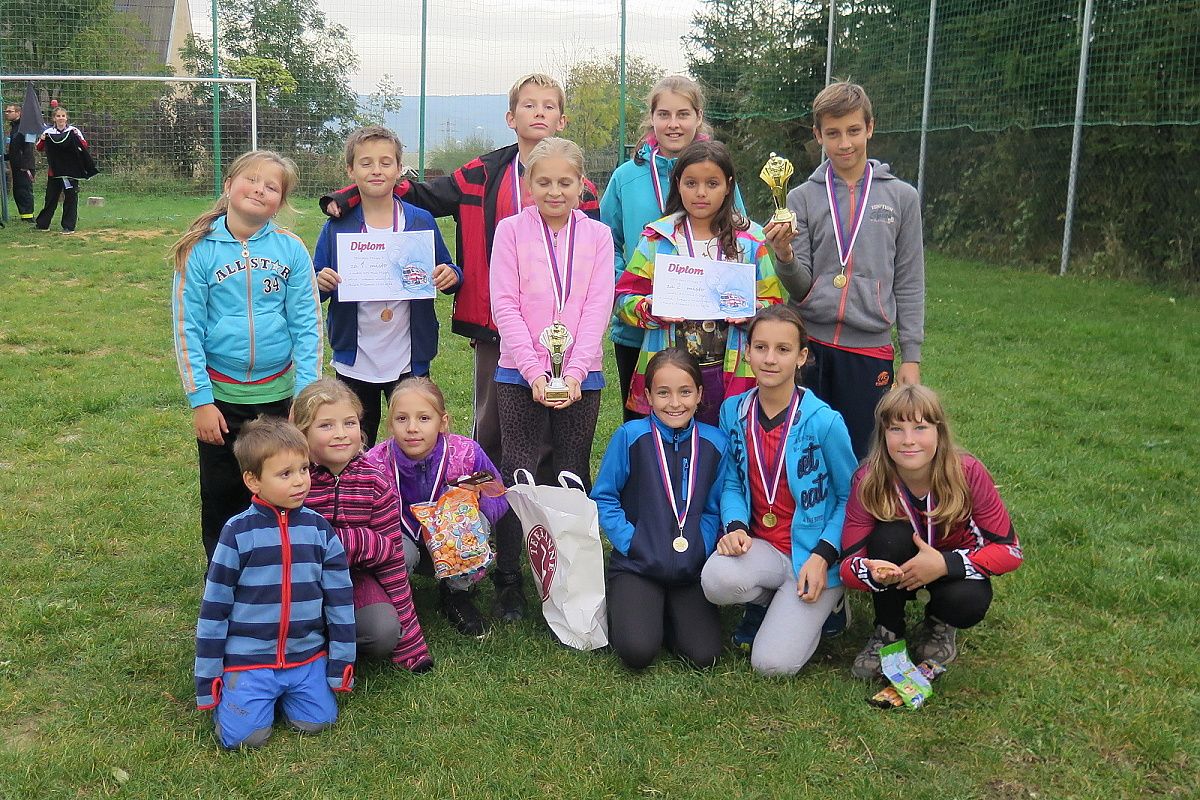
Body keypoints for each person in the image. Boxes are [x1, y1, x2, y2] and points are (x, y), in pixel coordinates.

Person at [319, 74, 600, 472]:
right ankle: (492, 497)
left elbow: (585, 267)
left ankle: (553, 502)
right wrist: (350, 195)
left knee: (559, 434)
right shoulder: (482, 172)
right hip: (494, 319)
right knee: (495, 424)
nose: (539, 113)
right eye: (529, 105)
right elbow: (422, 194)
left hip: (563, 330)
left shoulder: (583, 193)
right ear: (510, 117)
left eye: (548, 106)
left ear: (562, 120)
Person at [171, 150, 323, 563]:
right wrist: (201, 401)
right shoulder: (199, 250)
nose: (259, 189)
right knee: (223, 494)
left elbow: (307, 326)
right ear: (228, 186)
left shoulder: (291, 249)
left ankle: (278, 569)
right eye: (251, 180)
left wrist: (305, 398)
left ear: (280, 202)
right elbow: (187, 329)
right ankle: (224, 573)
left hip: (279, 398)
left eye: (271, 186)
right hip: (221, 402)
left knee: (281, 488)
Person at [764, 80, 925, 459]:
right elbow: (800, 287)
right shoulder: (801, 197)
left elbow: (910, 280)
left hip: (869, 348)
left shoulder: (901, 197)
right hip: (810, 347)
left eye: (853, 130)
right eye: (833, 133)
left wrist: (911, 356)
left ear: (870, 127)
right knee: (805, 451)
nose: (845, 143)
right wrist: (784, 256)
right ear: (818, 135)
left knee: (862, 454)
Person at [488, 137, 614, 621]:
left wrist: (575, 371)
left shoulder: (598, 236)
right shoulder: (510, 231)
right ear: (528, 184)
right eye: (544, 182)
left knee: (571, 471)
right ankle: (508, 578)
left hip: (583, 376)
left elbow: (598, 306)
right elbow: (505, 304)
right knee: (516, 471)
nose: (555, 191)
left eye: (565, 182)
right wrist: (534, 371)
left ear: (582, 185)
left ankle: (570, 577)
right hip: (518, 373)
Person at [700, 305, 856, 676]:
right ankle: (769, 601)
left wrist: (824, 555)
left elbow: (851, 497)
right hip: (764, 547)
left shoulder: (824, 422)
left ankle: (833, 604)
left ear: (801, 357)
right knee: (716, 579)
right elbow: (733, 479)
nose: (770, 359)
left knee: (771, 665)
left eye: (783, 349)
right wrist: (736, 525)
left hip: (814, 555)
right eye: (761, 347)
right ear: (747, 352)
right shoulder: (733, 411)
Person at [840, 384, 1022, 680]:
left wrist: (945, 564)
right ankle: (888, 630)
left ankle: (939, 622)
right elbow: (848, 564)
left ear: (940, 431)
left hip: (949, 570)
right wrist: (871, 572)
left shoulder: (968, 472)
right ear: (883, 435)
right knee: (888, 538)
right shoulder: (868, 479)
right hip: (897, 569)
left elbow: (1010, 551)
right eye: (896, 429)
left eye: (920, 427)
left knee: (969, 601)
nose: (908, 440)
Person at [195, 416, 355, 750]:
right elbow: (214, 609)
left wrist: (340, 663)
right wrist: (208, 678)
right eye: (285, 474)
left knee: (319, 722)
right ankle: (242, 696)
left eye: (303, 469)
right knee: (245, 739)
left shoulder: (320, 530)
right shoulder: (236, 533)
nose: (300, 481)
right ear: (253, 480)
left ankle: (287, 693)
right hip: (249, 660)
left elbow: (340, 602)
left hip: (305, 657)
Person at [602, 76, 747, 422]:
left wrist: (736, 299)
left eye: (683, 114)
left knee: (712, 422)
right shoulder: (625, 177)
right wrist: (629, 289)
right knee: (646, 423)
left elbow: (738, 239)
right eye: (664, 114)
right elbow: (606, 242)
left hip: (713, 334)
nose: (673, 124)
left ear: (698, 117)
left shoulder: (719, 171)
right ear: (651, 118)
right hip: (642, 328)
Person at [614, 140, 782, 426]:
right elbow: (623, 300)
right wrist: (651, 309)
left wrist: (753, 312)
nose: (701, 193)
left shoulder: (750, 242)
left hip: (732, 371)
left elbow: (774, 305)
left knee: (727, 442)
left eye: (712, 183)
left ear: (728, 186)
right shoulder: (657, 240)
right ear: (678, 184)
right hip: (670, 373)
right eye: (691, 183)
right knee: (671, 445)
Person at [313, 126, 461, 447]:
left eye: (385, 162)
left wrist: (451, 275)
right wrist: (320, 282)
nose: (376, 170)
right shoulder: (337, 226)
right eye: (366, 163)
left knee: (415, 440)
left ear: (399, 169)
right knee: (354, 442)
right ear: (351, 170)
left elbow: (447, 268)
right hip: (356, 358)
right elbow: (314, 284)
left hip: (408, 357)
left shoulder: (420, 220)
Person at [591, 348, 727, 670]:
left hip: (689, 569)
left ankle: (665, 614)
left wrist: (701, 545)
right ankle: (639, 610)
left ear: (699, 395)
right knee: (637, 652)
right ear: (648, 396)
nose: (675, 403)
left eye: (685, 392)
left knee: (705, 656)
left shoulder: (715, 443)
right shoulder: (630, 437)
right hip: (638, 565)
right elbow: (604, 498)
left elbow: (714, 507)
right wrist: (633, 543)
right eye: (663, 393)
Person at [293, 378, 433, 672]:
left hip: (354, 576)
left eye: (349, 423)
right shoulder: (293, 480)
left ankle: (334, 634)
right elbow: (289, 548)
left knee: (383, 632)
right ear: (302, 433)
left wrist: (411, 644)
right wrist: (359, 540)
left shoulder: (375, 481)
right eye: (326, 425)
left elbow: (391, 562)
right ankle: (302, 646)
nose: (341, 434)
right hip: (299, 583)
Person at [366, 376, 510, 636]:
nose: (412, 428)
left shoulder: (466, 453)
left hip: (450, 538)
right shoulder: (374, 463)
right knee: (396, 549)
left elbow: (497, 492)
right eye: (402, 419)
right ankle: (395, 593)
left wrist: (477, 504)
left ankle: (457, 593)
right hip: (403, 540)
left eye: (424, 418)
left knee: (472, 523)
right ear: (390, 423)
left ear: (442, 422)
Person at [35, 106, 96, 233]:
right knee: (51, 198)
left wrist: (76, 138)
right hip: (54, 172)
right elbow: (39, 148)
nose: (61, 118)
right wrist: (43, 139)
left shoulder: (74, 131)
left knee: (71, 198)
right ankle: (43, 224)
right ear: (54, 118)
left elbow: (83, 146)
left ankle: (68, 226)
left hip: (71, 172)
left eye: (63, 116)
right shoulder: (49, 132)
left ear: (66, 117)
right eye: (58, 116)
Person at [3, 102, 35, 221]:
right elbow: (15, 149)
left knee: (24, 190)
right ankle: (24, 216)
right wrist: (5, 157)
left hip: (24, 166)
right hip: (16, 165)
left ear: (18, 113)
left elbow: (29, 147)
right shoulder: (14, 127)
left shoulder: (25, 127)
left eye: (10, 111)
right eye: (6, 111)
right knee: (18, 190)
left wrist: (25, 165)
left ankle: (29, 217)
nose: (7, 113)